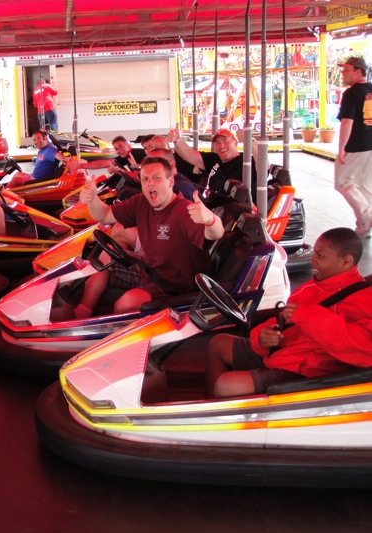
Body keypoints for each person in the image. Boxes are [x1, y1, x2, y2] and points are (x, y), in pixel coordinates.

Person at [206, 227, 372, 398]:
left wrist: (307, 315)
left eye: (321, 257)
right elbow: (281, 319)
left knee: (227, 384)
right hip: (281, 352)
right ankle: (208, 404)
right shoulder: (310, 288)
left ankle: (214, 410)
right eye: (314, 254)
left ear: (346, 261)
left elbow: (364, 349)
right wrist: (262, 338)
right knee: (219, 343)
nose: (313, 261)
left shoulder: (364, 300)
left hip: (307, 372)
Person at [72, 156, 224, 318]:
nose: (150, 183)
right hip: (150, 269)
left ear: (170, 182)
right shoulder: (141, 203)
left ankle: (111, 331)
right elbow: (105, 215)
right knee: (106, 254)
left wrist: (210, 220)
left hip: (175, 287)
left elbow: (216, 233)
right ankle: (82, 312)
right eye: (145, 179)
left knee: (127, 303)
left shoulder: (184, 210)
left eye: (156, 178)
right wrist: (92, 199)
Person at [335, 56, 372, 237]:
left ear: (359, 71)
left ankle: (365, 215)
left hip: (357, 144)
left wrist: (342, 146)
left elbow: (347, 122)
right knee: (364, 186)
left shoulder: (351, 93)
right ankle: (364, 225)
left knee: (343, 182)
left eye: (347, 69)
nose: (343, 73)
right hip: (370, 144)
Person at [168, 127, 257, 197]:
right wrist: (177, 140)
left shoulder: (247, 162)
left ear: (235, 143)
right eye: (217, 143)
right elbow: (188, 154)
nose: (222, 146)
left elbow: (262, 163)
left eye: (225, 141)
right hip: (210, 206)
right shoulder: (213, 159)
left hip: (233, 210)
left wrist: (250, 140)